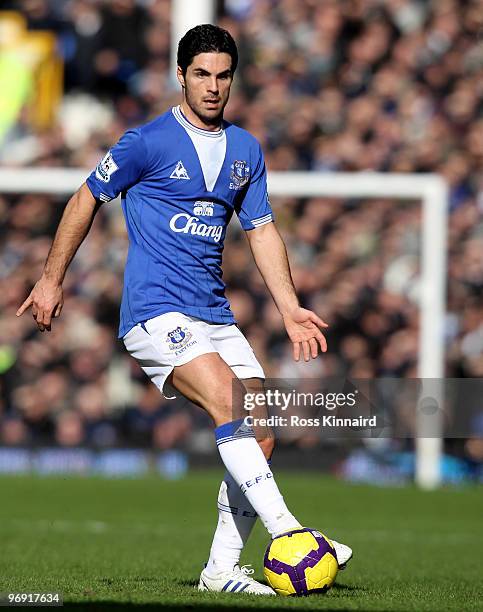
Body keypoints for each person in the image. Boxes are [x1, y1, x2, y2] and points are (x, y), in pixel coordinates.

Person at [17, 24, 352, 596]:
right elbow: (84, 199)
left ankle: (220, 570)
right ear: (181, 75)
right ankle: (292, 535)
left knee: (261, 431)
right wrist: (51, 279)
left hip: (215, 314)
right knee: (230, 403)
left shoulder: (246, 149)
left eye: (223, 75)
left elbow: (262, 229)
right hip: (155, 314)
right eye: (202, 74)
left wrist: (290, 307)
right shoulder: (146, 142)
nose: (213, 86)